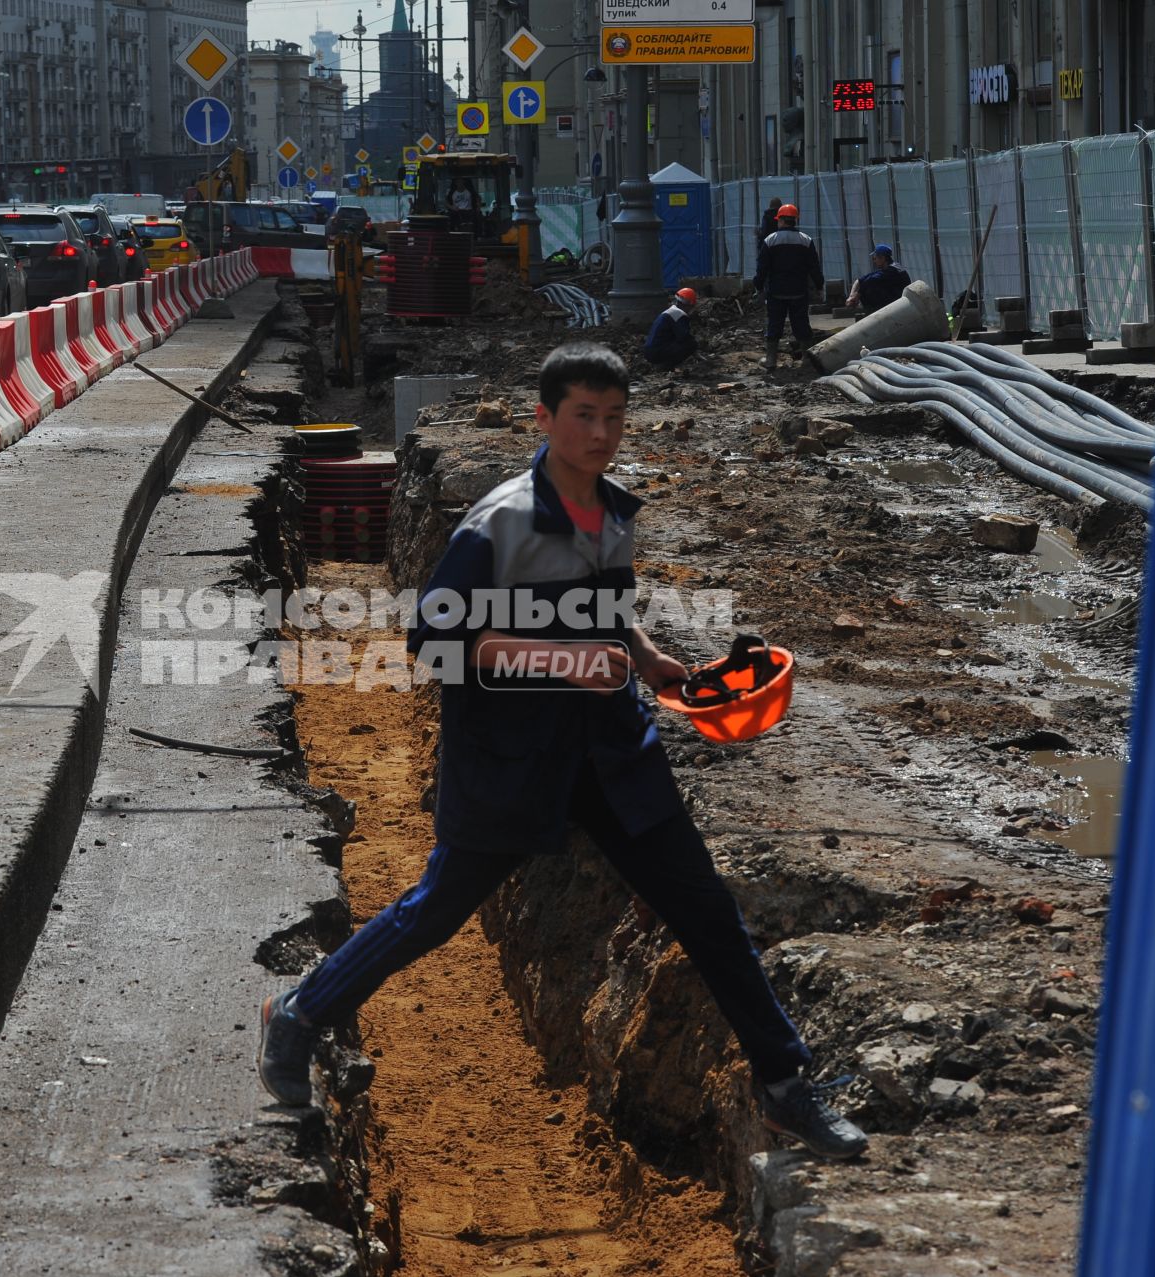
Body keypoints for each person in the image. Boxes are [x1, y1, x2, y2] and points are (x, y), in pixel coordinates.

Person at [256, 343, 870, 1163]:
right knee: (439, 910)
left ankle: (787, 1085)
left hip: (612, 749)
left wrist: (646, 658)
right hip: (514, 754)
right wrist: (559, 658)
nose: (601, 432)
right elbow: (433, 641)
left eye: (614, 416)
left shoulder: (612, 510)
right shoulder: (496, 525)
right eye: (583, 415)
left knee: (706, 911)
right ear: (543, 419)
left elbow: (604, 608)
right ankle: (301, 1010)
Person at [753, 203, 824, 371]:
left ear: (781, 221)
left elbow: (762, 268)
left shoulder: (770, 240)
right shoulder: (805, 240)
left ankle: (771, 360)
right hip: (799, 291)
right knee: (801, 324)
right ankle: (807, 359)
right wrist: (819, 285)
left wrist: (759, 286)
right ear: (794, 220)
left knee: (774, 324)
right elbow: (814, 266)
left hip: (776, 291)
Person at [642, 286, 702, 371]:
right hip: (657, 352)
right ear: (689, 304)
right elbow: (685, 337)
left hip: (649, 351)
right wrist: (695, 351)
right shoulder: (679, 314)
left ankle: (662, 364)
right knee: (691, 344)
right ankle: (666, 366)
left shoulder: (670, 312)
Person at [847, 244, 911, 313]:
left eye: (875, 258)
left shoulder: (891, 271)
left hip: (901, 305)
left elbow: (870, 281)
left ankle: (872, 313)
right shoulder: (889, 267)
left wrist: (857, 295)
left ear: (882, 258)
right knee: (867, 285)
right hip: (897, 300)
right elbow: (859, 280)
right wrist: (851, 296)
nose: (874, 261)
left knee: (870, 289)